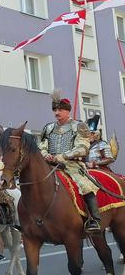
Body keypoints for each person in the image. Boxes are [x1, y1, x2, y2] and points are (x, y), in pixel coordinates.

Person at [39, 91, 101, 233]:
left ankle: (94, 219)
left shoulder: (79, 126)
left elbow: (83, 148)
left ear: (68, 111)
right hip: (50, 164)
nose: (56, 112)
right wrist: (45, 155)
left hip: (72, 165)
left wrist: (63, 156)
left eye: (60, 109)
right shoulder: (48, 128)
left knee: (85, 185)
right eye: (55, 109)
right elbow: (41, 146)